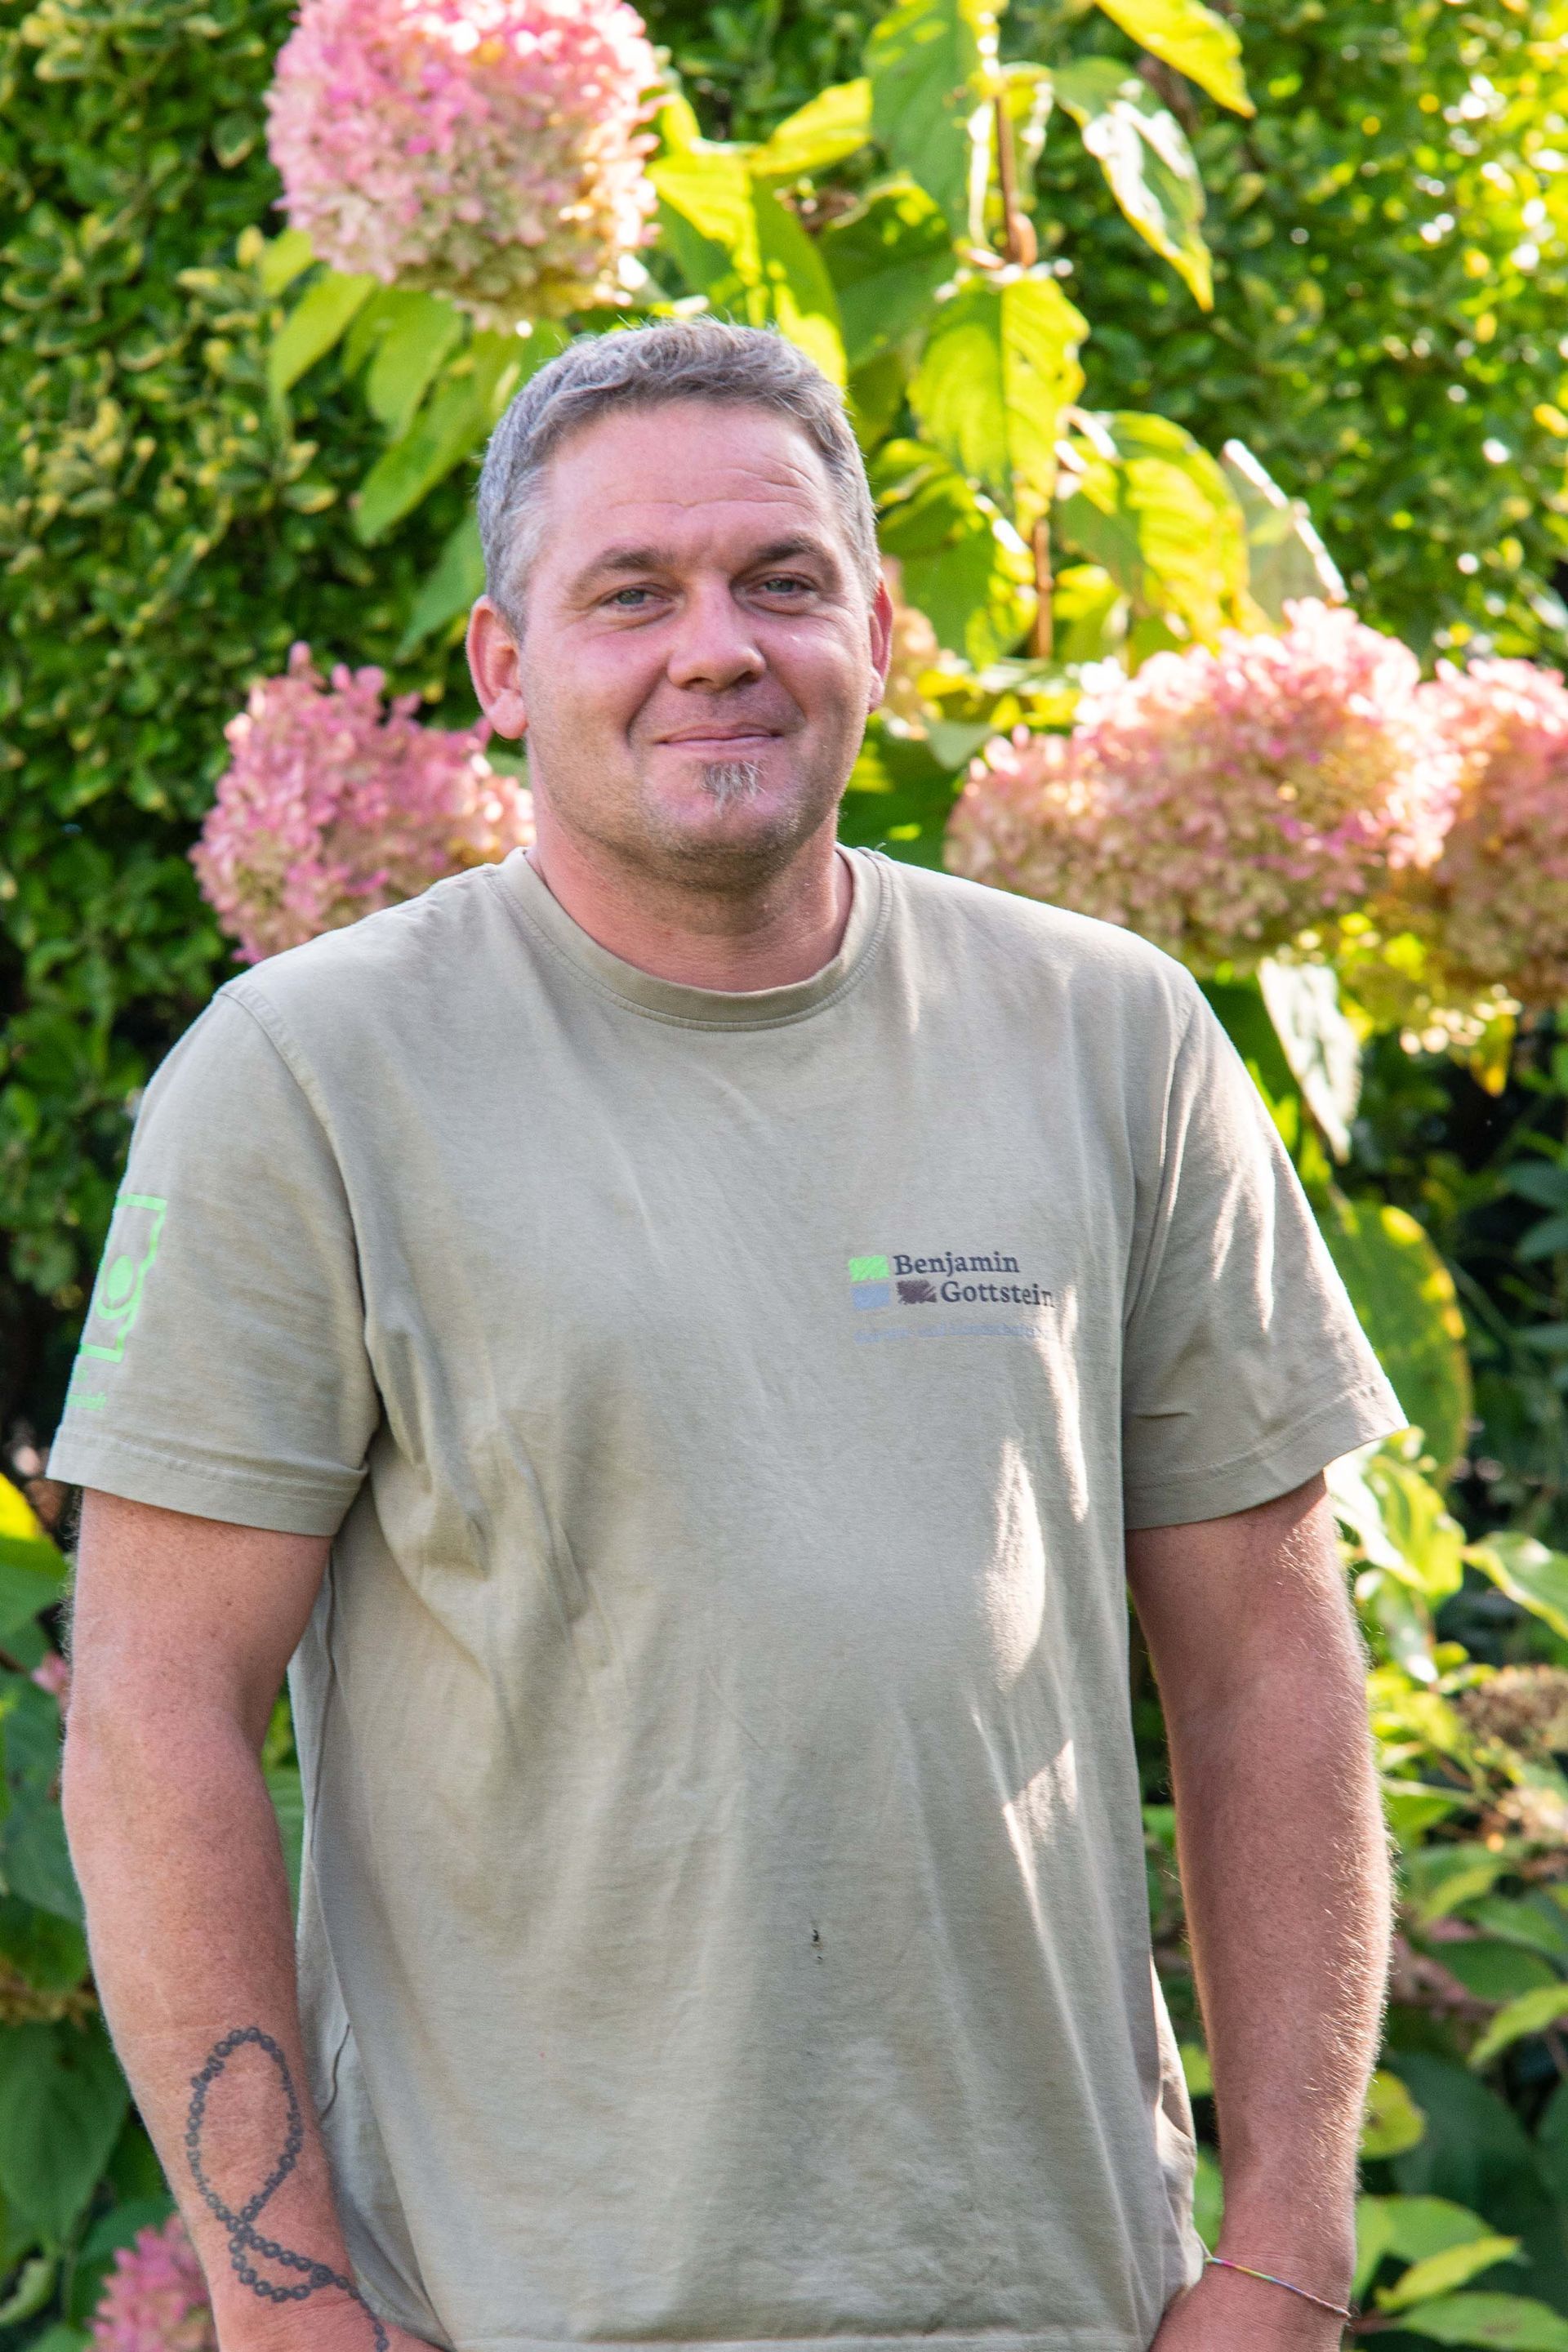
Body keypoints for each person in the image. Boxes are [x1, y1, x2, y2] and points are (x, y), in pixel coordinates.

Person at [55, 318, 1401, 2352]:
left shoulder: (1111, 1037)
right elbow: (155, 1711)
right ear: (505, 667)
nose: (718, 649)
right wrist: (287, 2303)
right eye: (631, 593)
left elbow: (1267, 1668)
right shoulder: (311, 1079)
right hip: (516, 2307)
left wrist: (1290, 2250)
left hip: (1051, 2298)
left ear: (878, 628)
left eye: (780, 581)